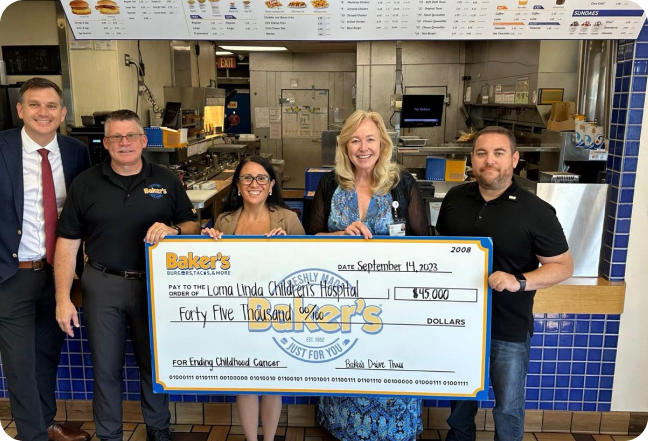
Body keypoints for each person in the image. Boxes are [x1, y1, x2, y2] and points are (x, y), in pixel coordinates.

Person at [53, 109, 199, 441]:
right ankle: (109, 435)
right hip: (102, 284)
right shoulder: (85, 184)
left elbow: (192, 225)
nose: (124, 143)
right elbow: (67, 244)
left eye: (131, 135)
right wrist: (63, 298)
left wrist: (173, 229)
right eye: (116, 137)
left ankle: (159, 429)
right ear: (105, 143)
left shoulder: (165, 179)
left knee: (155, 364)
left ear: (144, 140)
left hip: (155, 286)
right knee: (105, 369)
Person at [436, 126, 574, 441]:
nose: (489, 161)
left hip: (509, 327)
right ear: (472, 158)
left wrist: (519, 281)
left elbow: (563, 266)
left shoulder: (536, 210)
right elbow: (441, 251)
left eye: (499, 153)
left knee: (509, 408)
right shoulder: (455, 198)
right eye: (482, 153)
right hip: (459, 323)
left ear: (514, 159)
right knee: (460, 403)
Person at [306, 110, 427, 441]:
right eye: (355, 140)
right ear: (345, 146)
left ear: (382, 144)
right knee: (345, 378)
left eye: (370, 139)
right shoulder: (330, 183)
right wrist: (340, 235)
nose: (363, 147)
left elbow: (425, 243)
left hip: (394, 309)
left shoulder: (403, 184)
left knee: (392, 377)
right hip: (341, 309)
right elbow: (309, 239)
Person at [0, 78, 91, 441]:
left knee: (47, 354)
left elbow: (81, 212)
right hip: (11, 273)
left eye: (51, 106)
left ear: (63, 112)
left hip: (58, 274)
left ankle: (46, 422)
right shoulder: (2, 147)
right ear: (20, 110)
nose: (43, 112)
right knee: (20, 364)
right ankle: (32, 435)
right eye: (34, 105)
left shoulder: (74, 152)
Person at [202, 155, 304, 441]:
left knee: (272, 380)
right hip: (238, 312)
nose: (254, 184)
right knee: (244, 380)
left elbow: (307, 265)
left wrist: (289, 247)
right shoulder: (224, 221)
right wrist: (206, 242)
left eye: (261, 178)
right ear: (237, 185)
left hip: (278, 311)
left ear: (271, 185)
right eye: (247, 178)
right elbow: (214, 268)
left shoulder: (289, 219)